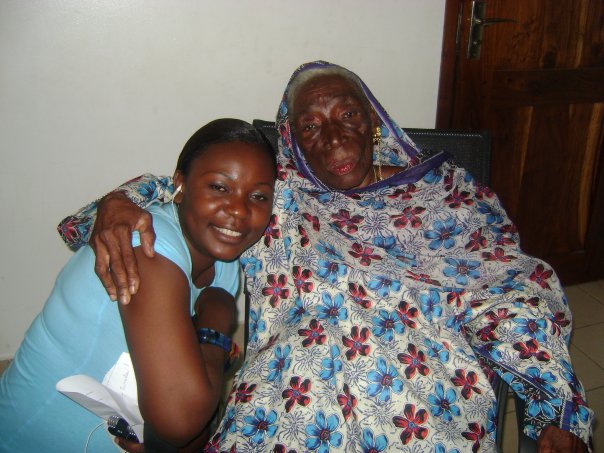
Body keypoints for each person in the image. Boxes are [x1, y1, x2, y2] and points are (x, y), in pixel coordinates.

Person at [58, 62, 593, 452]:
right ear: (291, 140)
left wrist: (554, 408)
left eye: (347, 114)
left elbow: (510, 290)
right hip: (287, 405)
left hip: (424, 404)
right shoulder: (276, 198)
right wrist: (118, 202)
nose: (333, 136)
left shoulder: (447, 195)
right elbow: (191, 188)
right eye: (311, 126)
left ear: (374, 121)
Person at [0, 118, 276, 452]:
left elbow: (193, 433)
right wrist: (219, 316)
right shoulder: (146, 247)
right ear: (180, 185)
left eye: (258, 196)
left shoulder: (226, 267)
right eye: (219, 187)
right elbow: (181, 420)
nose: (239, 210)